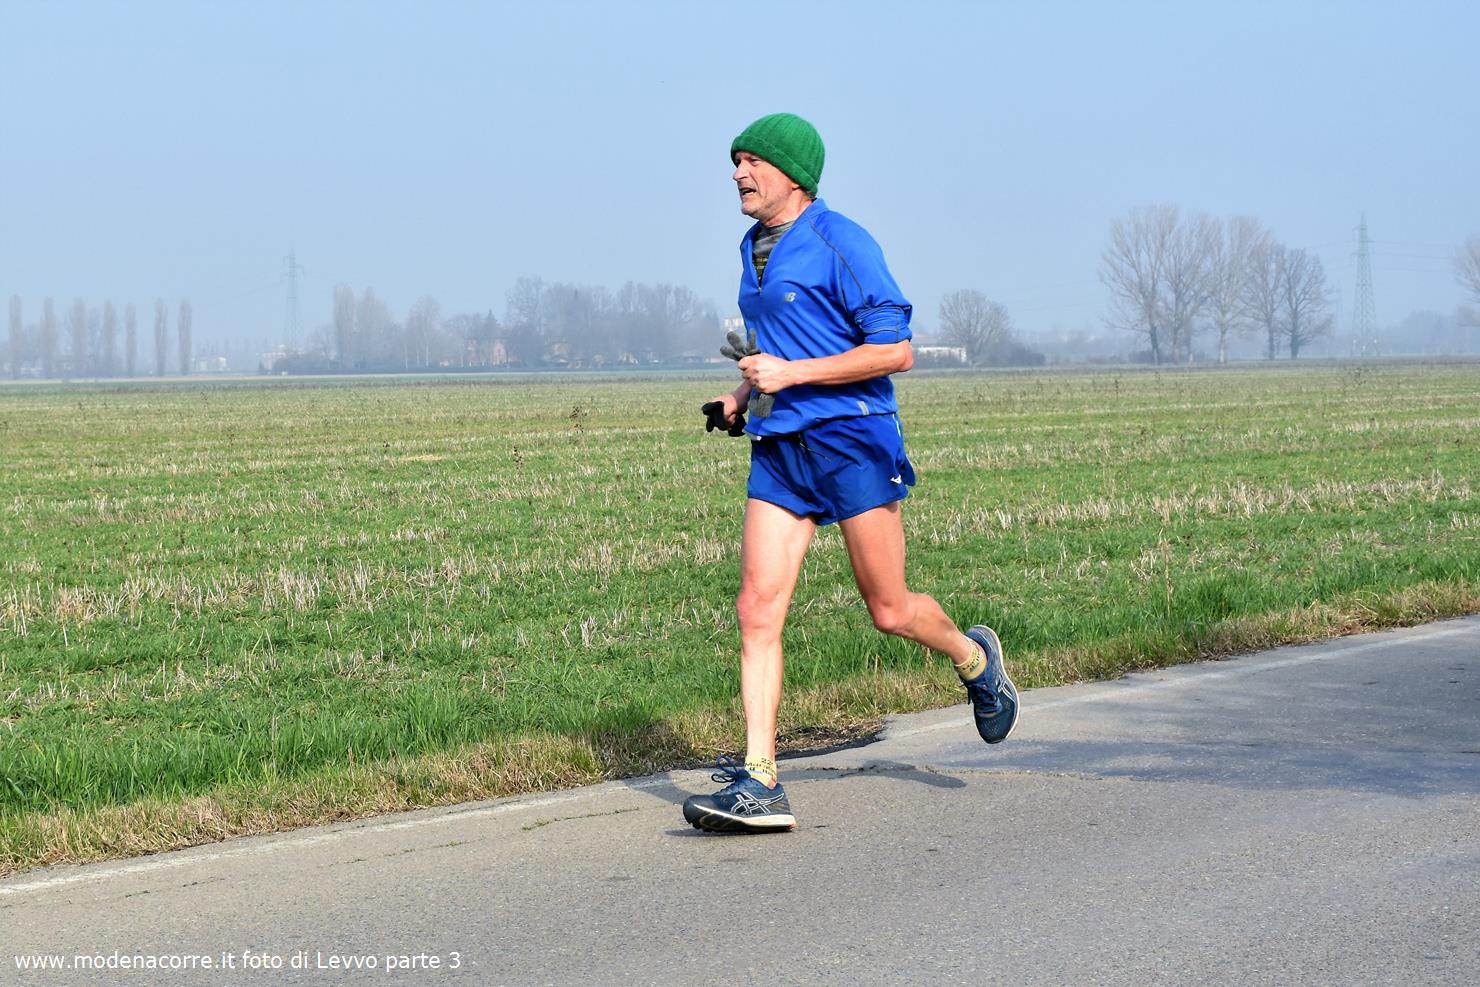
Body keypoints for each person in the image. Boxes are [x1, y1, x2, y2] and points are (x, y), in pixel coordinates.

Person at [682, 112, 1019, 835]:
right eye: (735, 162)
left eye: (752, 161)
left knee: (889, 610)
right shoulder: (753, 247)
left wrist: (791, 374)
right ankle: (761, 780)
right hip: (782, 445)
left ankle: (974, 658)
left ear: (794, 173)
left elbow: (895, 351)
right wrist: (740, 396)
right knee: (756, 608)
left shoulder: (844, 241)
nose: (738, 173)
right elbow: (779, 344)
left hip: (851, 439)